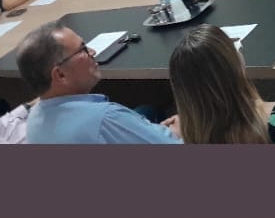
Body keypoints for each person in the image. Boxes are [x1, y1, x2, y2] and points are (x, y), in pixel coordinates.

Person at [16, 22, 181, 144]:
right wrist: (179, 130)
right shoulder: (106, 119)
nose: (93, 52)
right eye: (83, 49)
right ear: (60, 74)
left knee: (147, 110)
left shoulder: (33, 119)